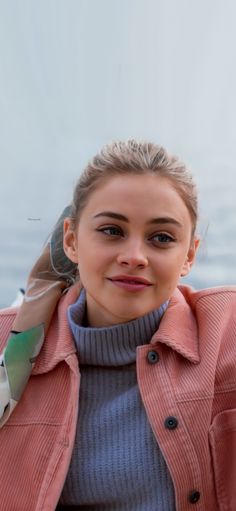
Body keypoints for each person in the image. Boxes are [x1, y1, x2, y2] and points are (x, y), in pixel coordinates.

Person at [0, 140, 235, 511]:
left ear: (189, 254)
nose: (134, 257)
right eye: (112, 231)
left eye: (161, 238)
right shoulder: (7, 355)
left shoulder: (227, 331)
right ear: (72, 240)